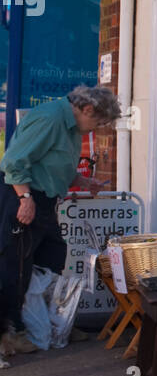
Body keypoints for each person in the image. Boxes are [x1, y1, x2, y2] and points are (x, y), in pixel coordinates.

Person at [0, 85, 122, 358]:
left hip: (44, 200)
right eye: (98, 123)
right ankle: (11, 333)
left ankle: (48, 322)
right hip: (22, 196)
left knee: (53, 260)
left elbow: (55, 164)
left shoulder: (72, 124)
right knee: (16, 268)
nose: (95, 130)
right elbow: (13, 162)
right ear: (87, 109)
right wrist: (26, 198)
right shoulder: (51, 118)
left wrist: (83, 181)